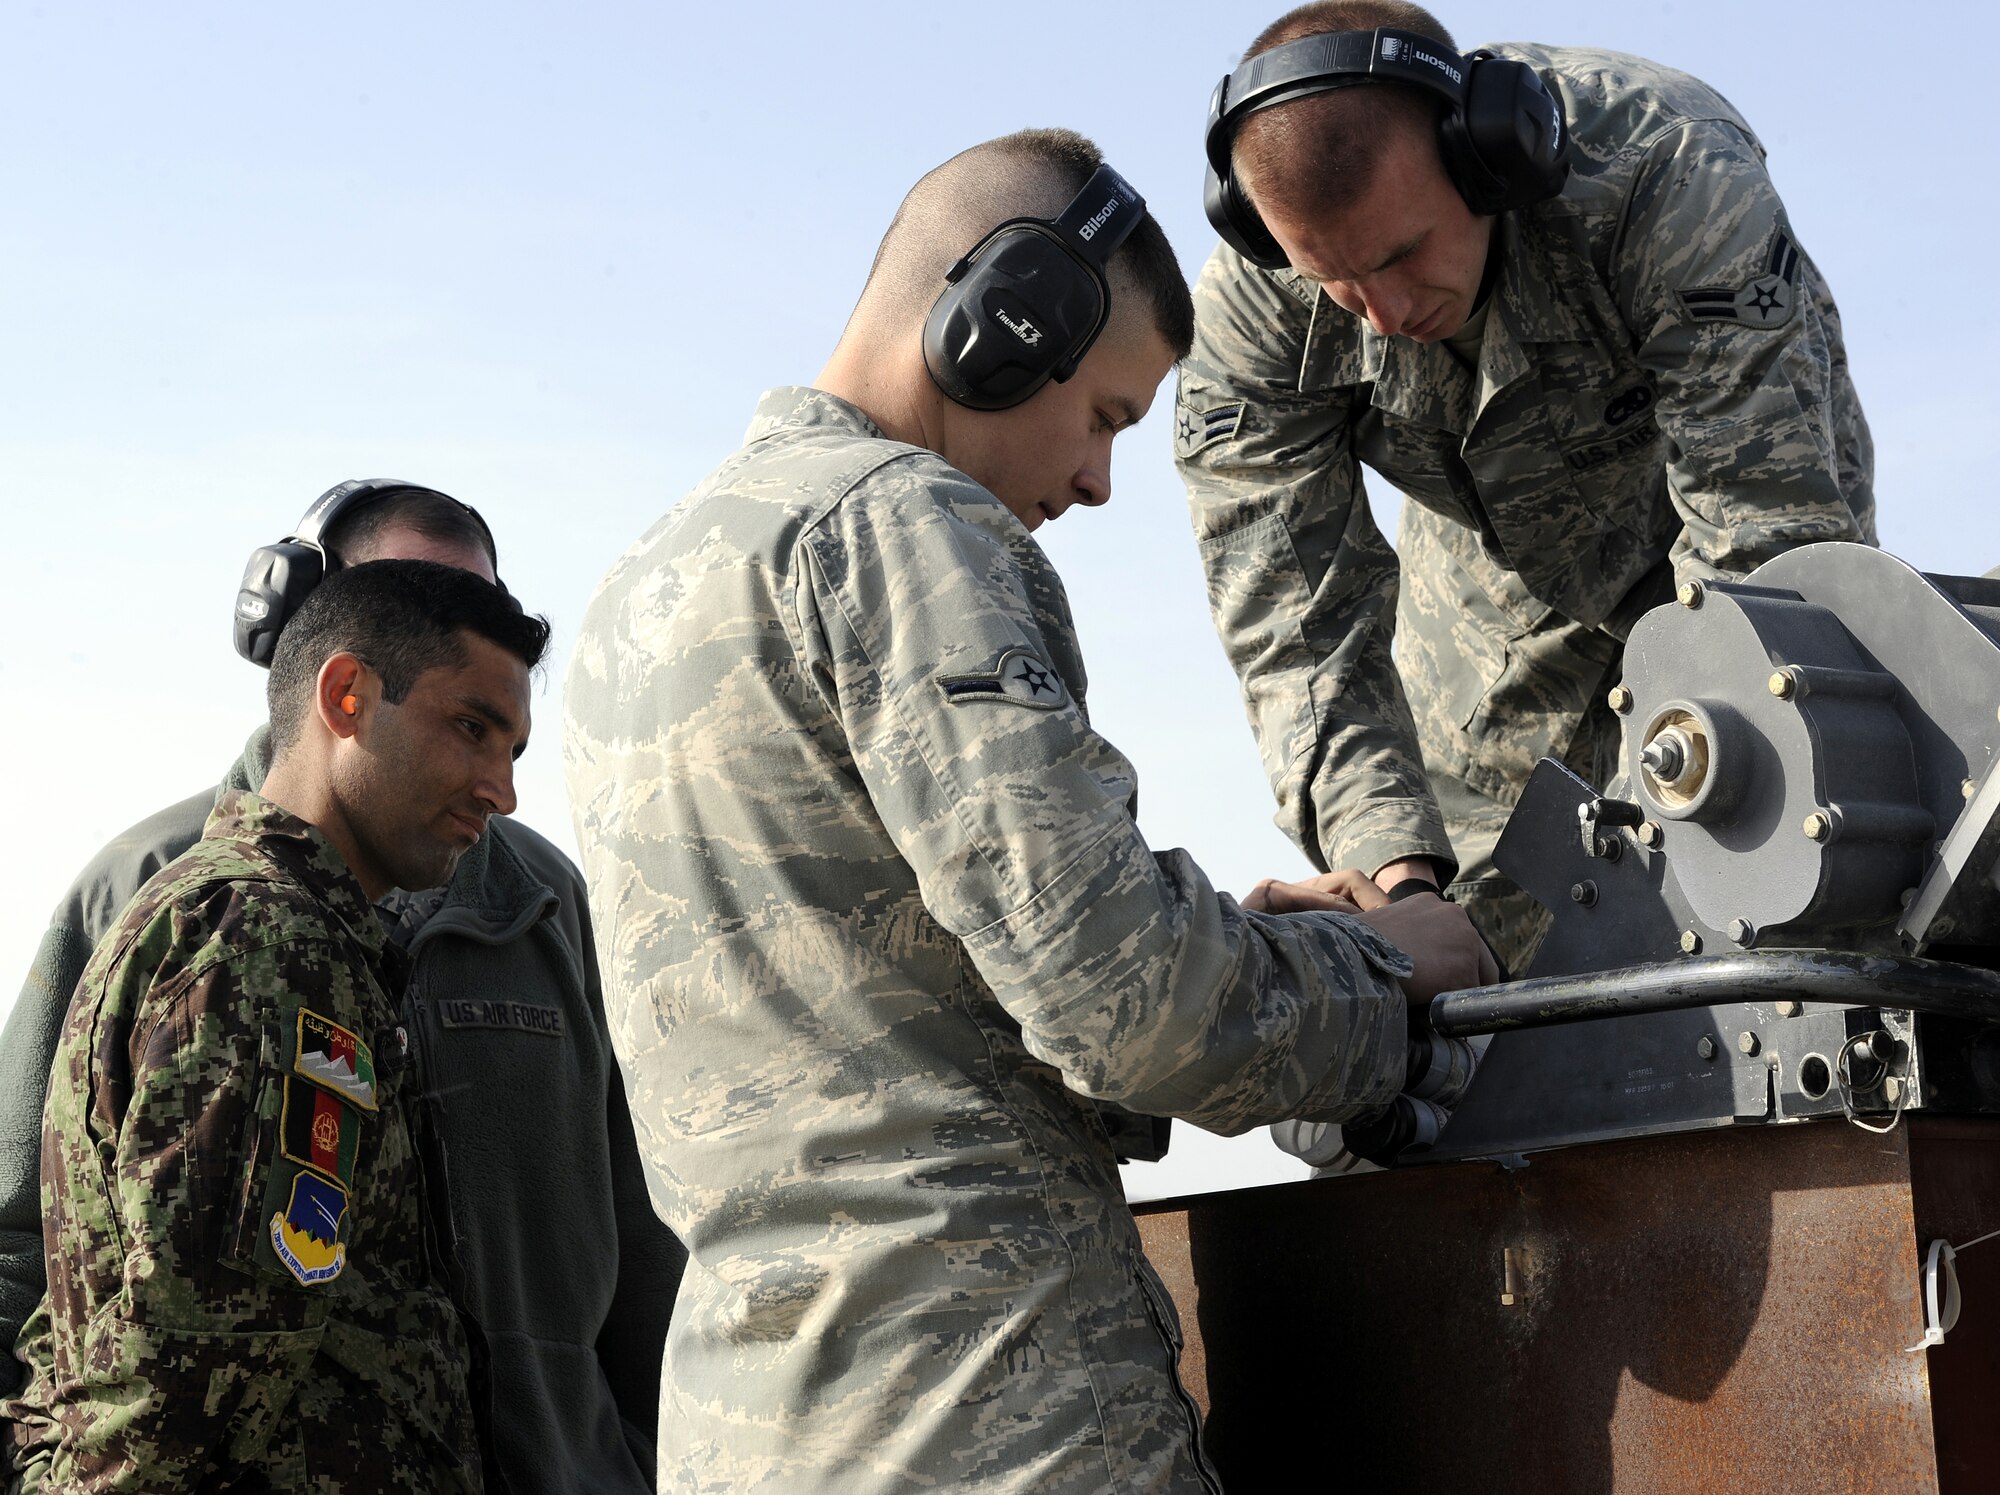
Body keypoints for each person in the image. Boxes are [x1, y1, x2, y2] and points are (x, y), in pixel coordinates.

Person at [564, 127, 1495, 1493]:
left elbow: (886, 1021)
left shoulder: (652, 583)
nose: (1101, 479)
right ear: (1003, 326)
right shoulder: (905, 525)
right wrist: (1384, 969)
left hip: (762, 1435)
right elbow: (1129, 1000)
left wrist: (1236, 937)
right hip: (994, 1419)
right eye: (1109, 414)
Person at [0, 484, 681, 1494]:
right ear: (345, 683)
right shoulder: (250, 933)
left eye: (512, 743)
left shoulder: (539, 902)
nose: (502, 788)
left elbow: (637, 1232)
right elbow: (173, 1390)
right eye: (470, 726)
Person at [1177, 0, 1876, 972]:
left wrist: (1694, 790)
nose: (1377, 316)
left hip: (1730, 536)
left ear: (1485, 161)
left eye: (1398, 256)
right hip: (1491, 604)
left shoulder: (1664, 169)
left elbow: (1762, 525)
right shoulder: (1252, 310)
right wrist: (1394, 880)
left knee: (1761, 879)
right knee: (1478, 961)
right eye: (1332, 281)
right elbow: (1298, 623)